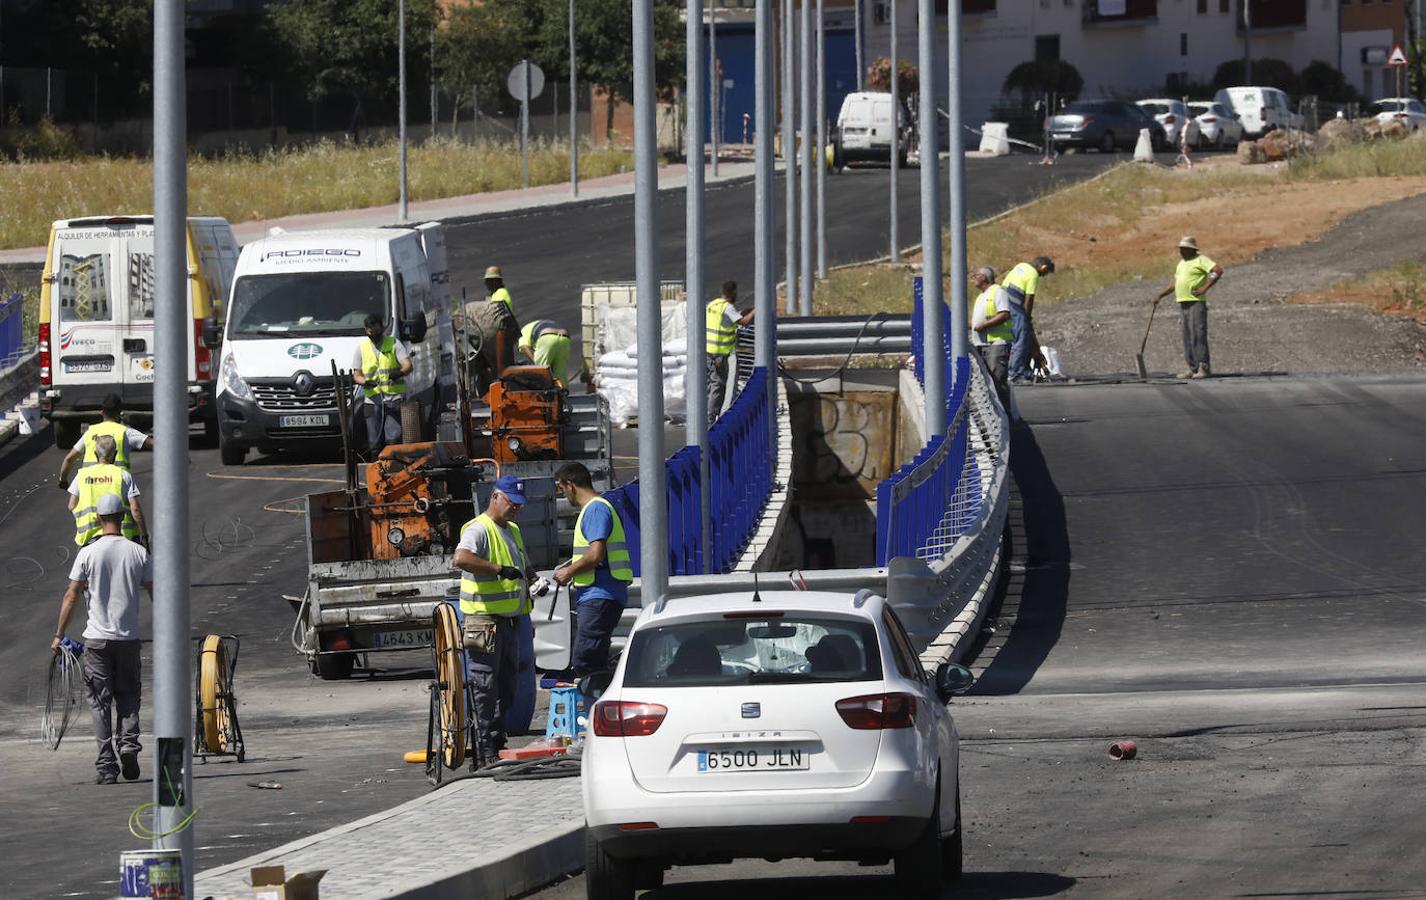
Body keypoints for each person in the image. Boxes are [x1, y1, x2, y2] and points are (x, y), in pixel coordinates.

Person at [52, 492, 153, 784]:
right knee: (129, 695)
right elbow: (155, 589)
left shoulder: (88, 553)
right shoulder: (138, 552)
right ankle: (129, 745)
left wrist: (59, 634)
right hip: (128, 638)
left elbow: (71, 595)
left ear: (98, 518)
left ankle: (107, 766)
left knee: (99, 702)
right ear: (122, 517)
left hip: (97, 640)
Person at [452, 475, 534, 761]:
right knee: (485, 686)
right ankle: (485, 748)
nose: (516, 510)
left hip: (509, 621)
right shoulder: (479, 529)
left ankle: (497, 742)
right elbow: (461, 558)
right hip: (483, 621)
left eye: (520, 506)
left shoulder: (511, 529)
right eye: (513, 504)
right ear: (496, 497)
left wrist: (531, 578)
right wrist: (498, 569)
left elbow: (521, 566)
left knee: (507, 685)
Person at [551, 463, 632, 683]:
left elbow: (595, 554)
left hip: (600, 594)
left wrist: (568, 571)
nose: (564, 494)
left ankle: (597, 705)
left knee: (586, 659)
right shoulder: (595, 508)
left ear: (571, 485)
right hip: (599, 594)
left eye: (562, 488)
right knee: (592, 658)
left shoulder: (596, 509)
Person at [1155, 235, 1223, 379]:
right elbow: (1175, 283)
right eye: (1181, 249)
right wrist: (1161, 295)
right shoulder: (1181, 264)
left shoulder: (1200, 260)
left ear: (1191, 249)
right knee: (1187, 335)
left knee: (1198, 333)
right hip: (1183, 302)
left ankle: (1203, 366)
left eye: (1184, 249)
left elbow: (1217, 271)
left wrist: (1204, 288)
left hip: (1196, 302)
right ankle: (1193, 367)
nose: (1181, 251)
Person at [57, 393, 153, 489]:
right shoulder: (125, 432)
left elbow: (69, 459)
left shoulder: (90, 432)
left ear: (102, 412)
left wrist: (63, 480)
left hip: (90, 486)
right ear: (120, 413)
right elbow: (153, 443)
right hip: (116, 486)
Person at [350, 313, 413, 456]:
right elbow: (357, 375)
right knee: (374, 442)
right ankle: (377, 470)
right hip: (372, 400)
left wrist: (400, 372)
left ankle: (394, 470)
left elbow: (408, 365)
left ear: (382, 328)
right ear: (366, 331)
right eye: (370, 332)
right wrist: (365, 382)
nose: (373, 334)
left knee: (393, 438)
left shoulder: (394, 343)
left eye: (376, 330)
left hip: (393, 400)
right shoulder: (362, 349)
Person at [69, 435, 146, 547]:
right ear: (115, 454)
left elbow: (71, 506)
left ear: (95, 454)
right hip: (121, 537)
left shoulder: (82, 475)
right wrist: (144, 535)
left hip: (89, 540)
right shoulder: (122, 475)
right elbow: (135, 509)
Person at [705, 281, 755, 423]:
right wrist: (756, 310)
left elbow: (727, 320)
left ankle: (710, 415)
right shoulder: (727, 308)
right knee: (718, 384)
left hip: (708, 350)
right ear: (733, 292)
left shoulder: (713, 305)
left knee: (712, 384)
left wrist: (745, 311)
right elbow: (744, 322)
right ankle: (712, 419)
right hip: (719, 353)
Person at [1001, 256, 1055, 384]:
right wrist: (1027, 318)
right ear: (1043, 268)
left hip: (1003, 304)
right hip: (1015, 307)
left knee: (1012, 339)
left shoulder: (1021, 266)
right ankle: (1016, 373)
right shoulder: (1033, 274)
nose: (1042, 276)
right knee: (1021, 340)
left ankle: (1024, 370)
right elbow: (1029, 299)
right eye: (1044, 274)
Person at [969, 266, 1013, 411]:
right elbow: (978, 321)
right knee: (987, 382)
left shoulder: (998, 292)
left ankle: (1005, 416)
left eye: (976, 275)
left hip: (996, 343)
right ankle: (994, 413)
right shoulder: (981, 296)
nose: (973, 279)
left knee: (997, 381)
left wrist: (985, 325)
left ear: (984, 277)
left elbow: (1004, 314)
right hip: (982, 344)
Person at [518, 319, 575, 388]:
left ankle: (545, 395)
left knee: (541, 373)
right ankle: (563, 393)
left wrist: (536, 364)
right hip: (564, 337)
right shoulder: (535, 324)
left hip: (547, 337)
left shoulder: (522, 332)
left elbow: (525, 347)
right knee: (560, 372)